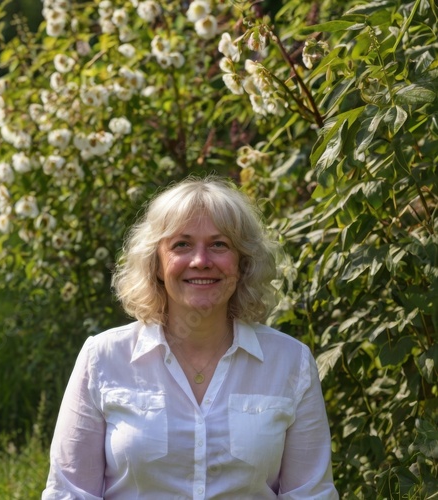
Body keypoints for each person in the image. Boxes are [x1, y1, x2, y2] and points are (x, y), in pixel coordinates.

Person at [42, 176, 338, 499]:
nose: (201, 261)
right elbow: (69, 493)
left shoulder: (291, 363)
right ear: (156, 263)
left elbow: (311, 494)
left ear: (243, 263)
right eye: (181, 244)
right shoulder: (102, 359)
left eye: (219, 245)